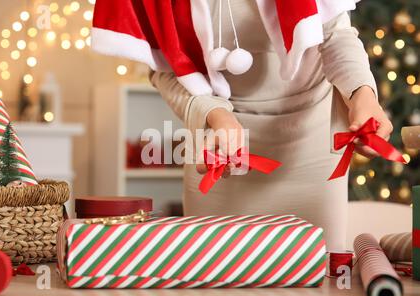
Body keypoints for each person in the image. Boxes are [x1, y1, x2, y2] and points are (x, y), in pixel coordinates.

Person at [92, 0, 393, 251]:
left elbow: (335, 37)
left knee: (315, 280)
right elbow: (165, 69)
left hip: (310, 145)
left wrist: (362, 93)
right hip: (220, 148)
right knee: (216, 285)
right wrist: (215, 114)